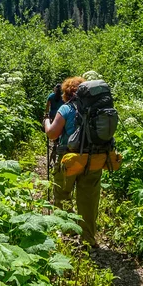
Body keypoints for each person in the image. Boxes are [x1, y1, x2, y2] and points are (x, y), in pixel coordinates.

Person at [43, 76, 102, 248]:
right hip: (94, 160)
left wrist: (47, 121)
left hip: (69, 159)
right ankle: (88, 238)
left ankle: (68, 232)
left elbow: (53, 134)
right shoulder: (96, 110)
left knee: (62, 193)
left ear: (66, 93)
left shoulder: (66, 108)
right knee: (89, 200)